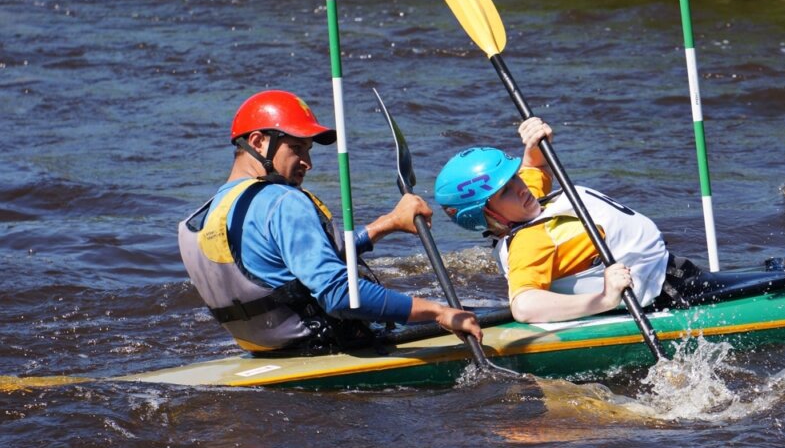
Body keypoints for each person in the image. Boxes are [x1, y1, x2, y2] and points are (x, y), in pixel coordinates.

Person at [179, 89, 482, 356]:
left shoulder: (211, 212)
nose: (308, 163)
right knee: (466, 316)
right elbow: (341, 296)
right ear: (258, 142)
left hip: (270, 354)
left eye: (308, 150)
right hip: (322, 348)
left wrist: (386, 224)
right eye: (296, 148)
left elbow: (290, 269)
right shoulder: (283, 201)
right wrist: (439, 312)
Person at [434, 117, 700, 323]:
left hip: (670, 270)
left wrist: (536, 142)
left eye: (514, 177)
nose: (521, 187)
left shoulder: (526, 206)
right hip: (665, 293)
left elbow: (535, 166)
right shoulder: (529, 242)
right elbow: (523, 306)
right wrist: (605, 299)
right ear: (487, 214)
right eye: (505, 190)